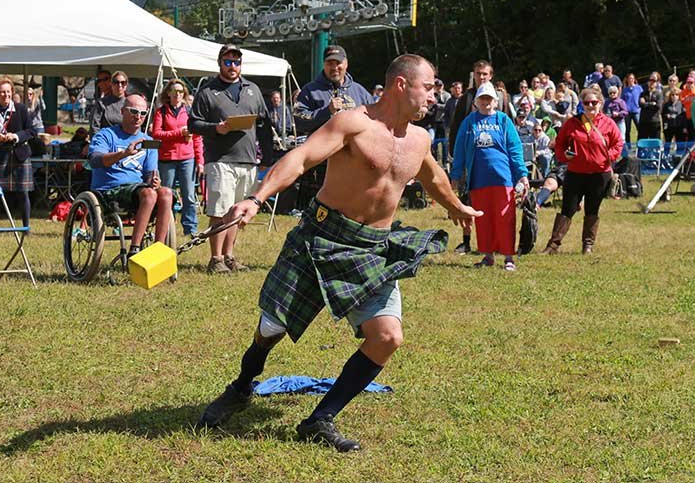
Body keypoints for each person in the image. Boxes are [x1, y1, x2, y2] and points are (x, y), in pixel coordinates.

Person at [195, 54, 481, 452]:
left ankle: (320, 419)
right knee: (271, 327)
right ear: (401, 84)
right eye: (429, 86)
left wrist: (455, 206)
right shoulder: (354, 123)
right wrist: (256, 198)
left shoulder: (420, 139)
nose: (435, 94)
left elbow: (432, 175)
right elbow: (301, 158)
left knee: (387, 338)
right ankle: (241, 387)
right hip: (322, 236)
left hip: (372, 248)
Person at [189, 44, 273, 274]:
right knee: (219, 209)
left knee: (237, 210)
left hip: (247, 159)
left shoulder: (252, 89)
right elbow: (193, 124)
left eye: (236, 62)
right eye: (228, 62)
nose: (232, 66)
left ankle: (229, 256)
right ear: (219, 63)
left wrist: (267, 154)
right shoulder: (207, 91)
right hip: (220, 159)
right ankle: (215, 259)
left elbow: (264, 125)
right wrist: (217, 128)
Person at [449, 82, 529, 271]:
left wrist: (522, 175)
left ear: (495, 101)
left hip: (503, 179)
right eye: (482, 98)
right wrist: (456, 175)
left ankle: (509, 257)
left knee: (505, 217)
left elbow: (515, 149)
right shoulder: (469, 122)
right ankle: (487, 255)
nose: (486, 102)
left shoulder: (503, 120)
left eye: (489, 99)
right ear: (476, 102)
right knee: (483, 219)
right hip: (478, 180)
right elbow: (459, 150)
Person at [88, 94, 174, 255]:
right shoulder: (106, 135)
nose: (138, 117)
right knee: (148, 194)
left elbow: (149, 176)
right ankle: (134, 250)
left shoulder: (148, 141)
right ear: (122, 111)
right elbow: (95, 160)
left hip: (137, 191)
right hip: (109, 191)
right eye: (134, 111)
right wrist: (123, 154)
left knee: (166, 193)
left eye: (143, 113)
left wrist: (154, 181)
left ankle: (159, 251)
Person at [543, 88, 623, 255]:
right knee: (568, 209)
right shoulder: (572, 123)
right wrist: (563, 155)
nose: (591, 105)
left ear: (600, 103)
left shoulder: (608, 123)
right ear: (582, 104)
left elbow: (618, 143)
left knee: (592, 209)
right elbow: (559, 144)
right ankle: (553, 246)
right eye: (587, 103)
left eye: (594, 102)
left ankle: (588, 246)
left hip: (600, 174)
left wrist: (609, 156)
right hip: (575, 173)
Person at [448, 60, 495, 254]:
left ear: (490, 75)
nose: (481, 77)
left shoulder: (499, 96)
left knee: (492, 200)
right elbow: (456, 127)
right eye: (478, 73)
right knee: (467, 200)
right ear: (473, 74)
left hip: (492, 160)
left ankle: (492, 241)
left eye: (484, 74)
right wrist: (454, 154)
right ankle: (466, 241)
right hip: (469, 159)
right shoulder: (466, 98)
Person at [150, 79, 204, 238]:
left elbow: (197, 138)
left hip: (187, 158)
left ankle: (191, 229)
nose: (178, 94)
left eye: (181, 91)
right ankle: (166, 227)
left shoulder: (189, 111)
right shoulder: (161, 112)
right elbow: (157, 134)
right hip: (167, 159)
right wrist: (179, 133)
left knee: (189, 195)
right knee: (167, 195)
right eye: (175, 91)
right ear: (168, 93)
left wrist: (200, 161)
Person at [0, 77, 35, 228]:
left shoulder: (21, 109)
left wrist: (15, 136)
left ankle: (26, 227)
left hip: (19, 154)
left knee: (23, 193)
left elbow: (31, 131)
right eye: (2, 92)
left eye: (8, 92)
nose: (6, 95)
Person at [294, 45, 373, 136]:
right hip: (324, 149)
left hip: (355, 148)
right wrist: (327, 111)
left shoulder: (360, 91)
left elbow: (374, 119)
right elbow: (299, 122)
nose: (334, 68)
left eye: (338, 63)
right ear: (324, 64)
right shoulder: (309, 91)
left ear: (346, 64)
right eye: (330, 63)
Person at [620, 73, 642, 145]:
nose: (631, 80)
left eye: (632, 78)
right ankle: (628, 145)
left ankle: (640, 144)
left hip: (636, 111)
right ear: (627, 80)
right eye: (629, 78)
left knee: (640, 128)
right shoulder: (625, 90)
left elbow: (642, 97)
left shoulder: (639, 88)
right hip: (627, 112)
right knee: (627, 129)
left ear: (634, 79)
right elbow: (622, 100)